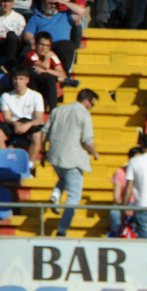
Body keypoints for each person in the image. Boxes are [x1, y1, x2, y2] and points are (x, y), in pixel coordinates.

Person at [43, 88, 98, 237]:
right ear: (86, 100)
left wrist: (43, 151)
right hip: (73, 159)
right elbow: (87, 140)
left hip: (55, 156)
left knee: (63, 178)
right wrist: (94, 153)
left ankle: (55, 195)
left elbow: (45, 131)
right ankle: (62, 229)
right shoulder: (83, 113)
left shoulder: (58, 110)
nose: (91, 107)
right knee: (74, 196)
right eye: (92, 104)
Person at [0, 69, 43, 172]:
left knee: (37, 135)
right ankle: (6, 162)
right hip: (13, 123)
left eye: (21, 79)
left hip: (29, 122)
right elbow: (7, 117)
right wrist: (15, 124)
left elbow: (38, 118)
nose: (17, 81)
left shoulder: (36, 96)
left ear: (27, 80)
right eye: (15, 79)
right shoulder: (5, 96)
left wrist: (27, 125)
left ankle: (30, 165)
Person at [22, 0, 80, 73]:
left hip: (61, 45)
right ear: (43, 3)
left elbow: (81, 12)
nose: (53, 5)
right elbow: (27, 34)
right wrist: (32, 41)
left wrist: (63, 2)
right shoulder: (35, 18)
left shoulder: (65, 15)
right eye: (50, 3)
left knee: (67, 46)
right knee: (27, 50)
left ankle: (64, 75)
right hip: (42, 45)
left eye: (55, 3)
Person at [23, 31, 68, 112]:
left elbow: (63, 75)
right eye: (41, 44)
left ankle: (53, 110)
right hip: (31, 84)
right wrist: (47, 58)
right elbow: (44, 66)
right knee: (37, 73)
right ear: (35, 44)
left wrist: (47, 71)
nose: (43, 48)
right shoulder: (31, 54)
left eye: (46, 45)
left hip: (45, 84)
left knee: (51, 78)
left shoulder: (51, 55)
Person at [110, 146, 142, 236]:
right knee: (114, 212)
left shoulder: (144, 173)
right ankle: (119, 234)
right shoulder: (120, 172)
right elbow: (116, 197)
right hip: (125, 203)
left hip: (140, 204)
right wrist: (125, 207)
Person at [0, 0, 26, 74]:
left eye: (8, 2)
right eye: (4, 2)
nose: (6, 5)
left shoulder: (19, 18)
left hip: (12, 45)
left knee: (11, 35)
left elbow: (20, 38)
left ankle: (9, 66)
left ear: (12, 4)